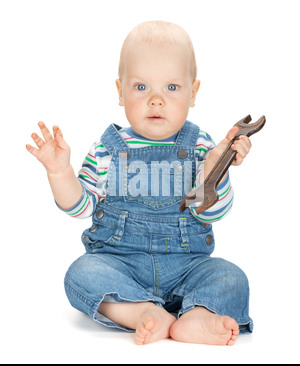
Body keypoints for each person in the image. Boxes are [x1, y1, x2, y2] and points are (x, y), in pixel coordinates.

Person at [26, 21, 253, 346]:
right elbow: (81, 206)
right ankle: (142, 311)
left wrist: (216, 170)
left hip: (188, 266)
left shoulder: (203, 146)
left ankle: (198, 315)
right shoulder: (108, 147)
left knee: (231, 277)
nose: (156, 100)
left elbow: (210, 214)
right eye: (141, 87)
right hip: (119, 264)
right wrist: (59, 172)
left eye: (172, 87)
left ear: (193, 92)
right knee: (80, 273)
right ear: (120, 91)